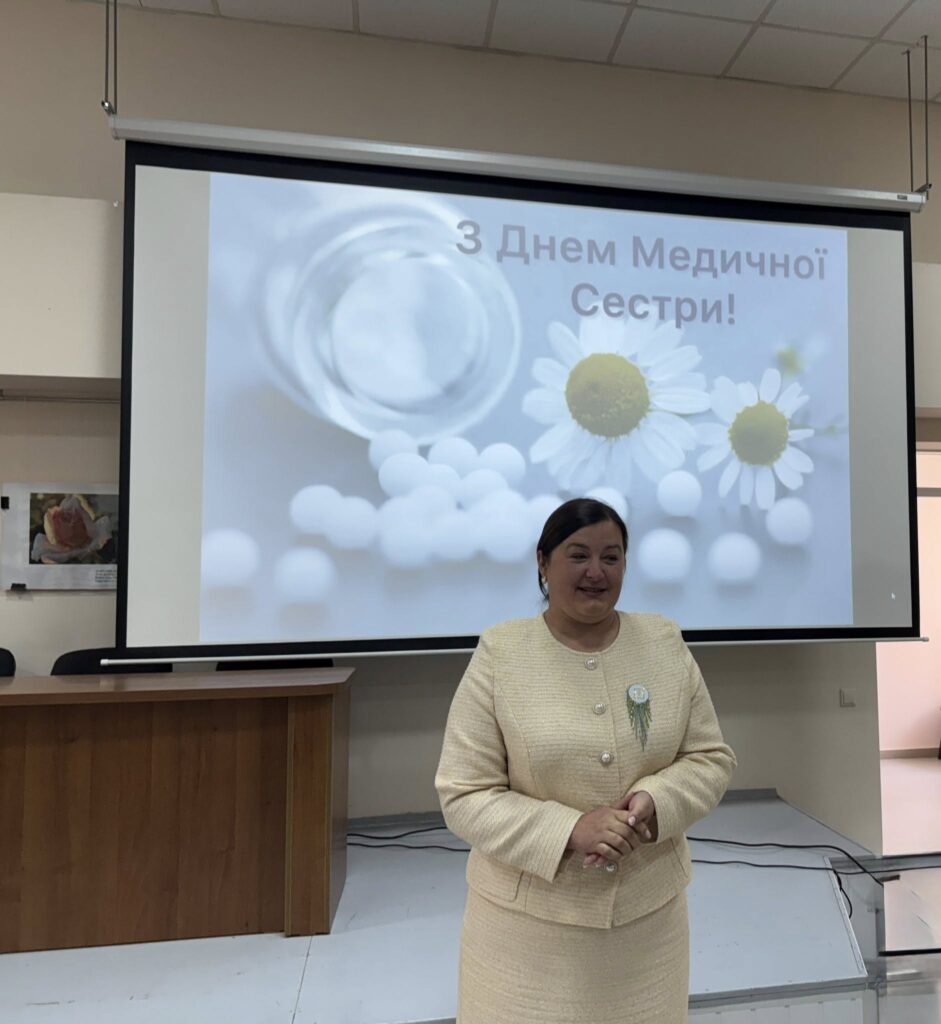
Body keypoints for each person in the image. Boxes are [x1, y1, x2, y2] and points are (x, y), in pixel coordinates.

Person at [435, 497, 736, 1024]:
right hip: (525, 936)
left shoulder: (664, 643)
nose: (596, 572)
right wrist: (569, 829)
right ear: (542, 562)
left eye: (611, 557)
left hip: (648, 930)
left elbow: (709, 758)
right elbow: (464, 793)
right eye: (578, 555)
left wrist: (656, 799)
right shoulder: (501, 654)